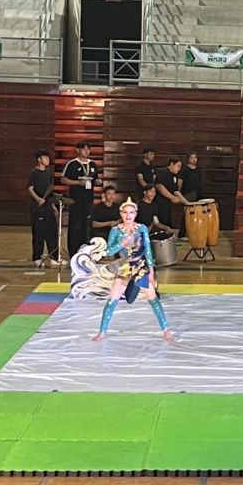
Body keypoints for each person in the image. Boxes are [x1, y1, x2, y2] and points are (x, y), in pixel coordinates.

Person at [92, 197, 173, 342]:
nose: (128, 215)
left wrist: (151, 270)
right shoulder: (116, 230)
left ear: (136, 213)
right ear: (121, 213)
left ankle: (166, 330)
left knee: (153, 299)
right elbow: (110, 250)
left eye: (131, 212)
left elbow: (148, 249)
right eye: (125, 212)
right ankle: (102, 332)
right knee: (112, 300)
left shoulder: (141, 228)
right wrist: (120, 244)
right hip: (124, 267)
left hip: (140, 266)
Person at [62, 141, 101, 255]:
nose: (87, 151)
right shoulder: (72, 164)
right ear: (78, 150)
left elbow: (95, 178)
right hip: (75, 199)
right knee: (75, 225)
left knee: (86, 225)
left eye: (88, 149)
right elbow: (63, 179)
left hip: (88, 199)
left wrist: (97, 181)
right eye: (84, 149)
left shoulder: (92, 164)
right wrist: (78, 182)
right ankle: (73, 251)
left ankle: (84, 250)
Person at [28, 149, 58, 267]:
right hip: (37, 207)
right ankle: (37, 257)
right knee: (39, 232)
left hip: (48, 205)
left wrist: (53, 205)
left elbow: (50, 190)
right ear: (39, 159)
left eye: (48, 158)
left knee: (52, 232)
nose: (47, 160)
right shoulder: (34, 173)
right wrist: (38, 199)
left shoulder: (49, 173)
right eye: (45, 158)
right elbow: (30, 188)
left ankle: (54, 257)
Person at [155, 157, 189, 229]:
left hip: (168, 204)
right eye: (178, 166)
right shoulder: (162, 171)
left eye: (180, 167)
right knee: (162, 222)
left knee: (168, 221)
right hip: (159, 203)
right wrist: (172, 197)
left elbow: (176, 191)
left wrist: (187, 203)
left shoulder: (175, 176)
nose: (179, 169)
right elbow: (159, 186)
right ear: (171, 164)